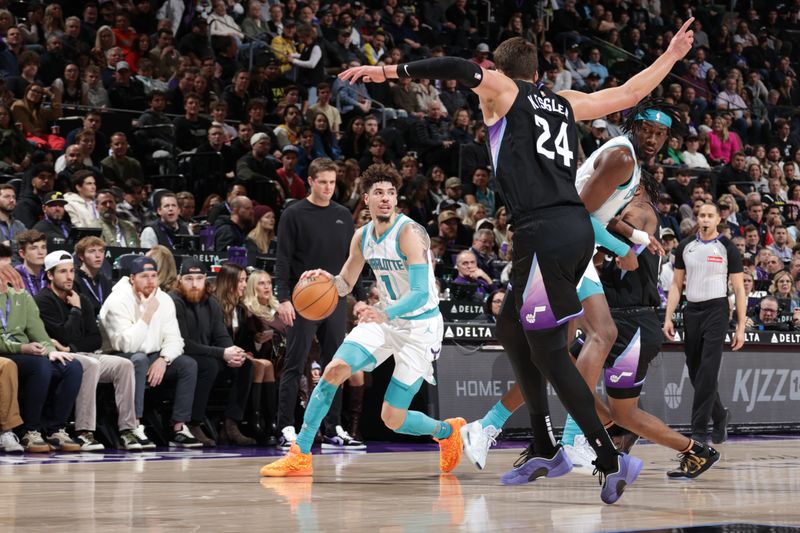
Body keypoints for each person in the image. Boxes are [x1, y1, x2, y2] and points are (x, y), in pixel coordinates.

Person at [339, 20, 695, 504]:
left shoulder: (503, 91)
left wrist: (386, 71)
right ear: (539, 72)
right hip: (556, 230)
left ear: (502, 73)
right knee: (511, 326)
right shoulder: (564, 102)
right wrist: (672, 55)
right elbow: (631, 91)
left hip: (548, 229)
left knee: (549, 351)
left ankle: (608, 456)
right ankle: (545, 439)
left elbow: (459, 67)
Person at [260, 164, 460, 477]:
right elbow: (344, 284)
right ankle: (300, 454)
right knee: (333, 371)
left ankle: (448, 432)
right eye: (378, 193)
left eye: (391, 193)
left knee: (392, 417)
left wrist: (384, 312)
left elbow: (422, 293)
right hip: (384, 319)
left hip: (420, 326)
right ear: (364, 199)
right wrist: (327, 279)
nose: (386, 198)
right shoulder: (361, 237)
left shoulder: (410, 233)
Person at [272, 158, 363, 450]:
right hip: (303, 298)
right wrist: (284, 298)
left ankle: (333, 426)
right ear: (310, 182)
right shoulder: (293, 213)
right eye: (322, 182)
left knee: (335, 365)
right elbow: (283, 258)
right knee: (294, 364)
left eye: (332, 182)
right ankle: (286, 426)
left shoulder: (343, 215)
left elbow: (353, 260)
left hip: (335, 297)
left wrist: (357, 297)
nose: (328, 187)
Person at [35, 251, 142, 451]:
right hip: (57, 357)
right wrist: (75, 311)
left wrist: (72, 346)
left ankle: (128, 429)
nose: (69, 276)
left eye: (71, 271)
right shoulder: (43, 300)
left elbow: (95, 339)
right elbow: (63, 334)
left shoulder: (81, 298)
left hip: (77, 352)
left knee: (124, 365)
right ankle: (84, 432)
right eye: (62, 272)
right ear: (50, 275)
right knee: (90, 365)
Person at [664, 203, 746, 445]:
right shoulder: (685, 247)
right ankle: (720, 416)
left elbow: (739, 289)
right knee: (695, 371)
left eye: (710, 215)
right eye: (702, 215)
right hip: (691, 311)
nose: (706, 219)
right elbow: (676, 285)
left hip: (717, 310)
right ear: (697, 218)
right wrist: (668, 317)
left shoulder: (727, 247)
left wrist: (740, 327)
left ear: (718, 219)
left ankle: (698, 432)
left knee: (708, 370)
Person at [99, 256, 201, 448]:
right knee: (137, 360)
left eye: (153, 275)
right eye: (144, 276)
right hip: (118, 355)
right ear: (132, 278)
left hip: (153, 356)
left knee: (187, 364)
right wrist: (147, 315)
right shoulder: (117, 300)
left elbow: (175, 339)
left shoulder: (163, 299)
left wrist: (164, 359)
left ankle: (178, 427)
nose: (150, 281)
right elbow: (127, 345)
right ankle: (133, 425)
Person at [171, 258, 255, 447]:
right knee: (208, 366)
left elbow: (220, 335)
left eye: (199, 278)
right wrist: (222, 353)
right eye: (189, 278)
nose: (194, 284)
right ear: (179, 279)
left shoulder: (211, 302)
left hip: (207, 354)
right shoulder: (174, 301)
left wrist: (233, 352)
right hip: (180, 356)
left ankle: (230, 424)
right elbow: (183, 343)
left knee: (245, 364)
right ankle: (193, 422)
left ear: (205, 280)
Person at [0, 262, 83, 452]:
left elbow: (38, 332)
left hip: (25, 352)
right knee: (40, 366)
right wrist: (22, 347)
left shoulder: (22, 295)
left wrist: (50, 350)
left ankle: (56, 429)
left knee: (72, 365)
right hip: (8, 353)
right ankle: (30, 430)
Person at [243, 269, 283, 445]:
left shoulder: (279, 308)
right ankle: (261, 420)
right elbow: (248, 341)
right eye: (261, 283)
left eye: (268, 282)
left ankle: (271, 421)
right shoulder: (250, 310)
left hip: (282, 356)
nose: (266, 286)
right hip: (262, 355)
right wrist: (259, 340)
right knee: (266, 366)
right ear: (253, 287)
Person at [73, 236, 112, 318]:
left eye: (101, 251)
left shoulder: (105, 280)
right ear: (81, 256)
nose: (98, 255)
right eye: (92, 251)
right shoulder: (74, 280)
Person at [15, 230, 48, 297]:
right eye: (34, 248)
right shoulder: (14, 278)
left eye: (43, 247)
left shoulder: (50, 277)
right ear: (22, 254)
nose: (40, 252)